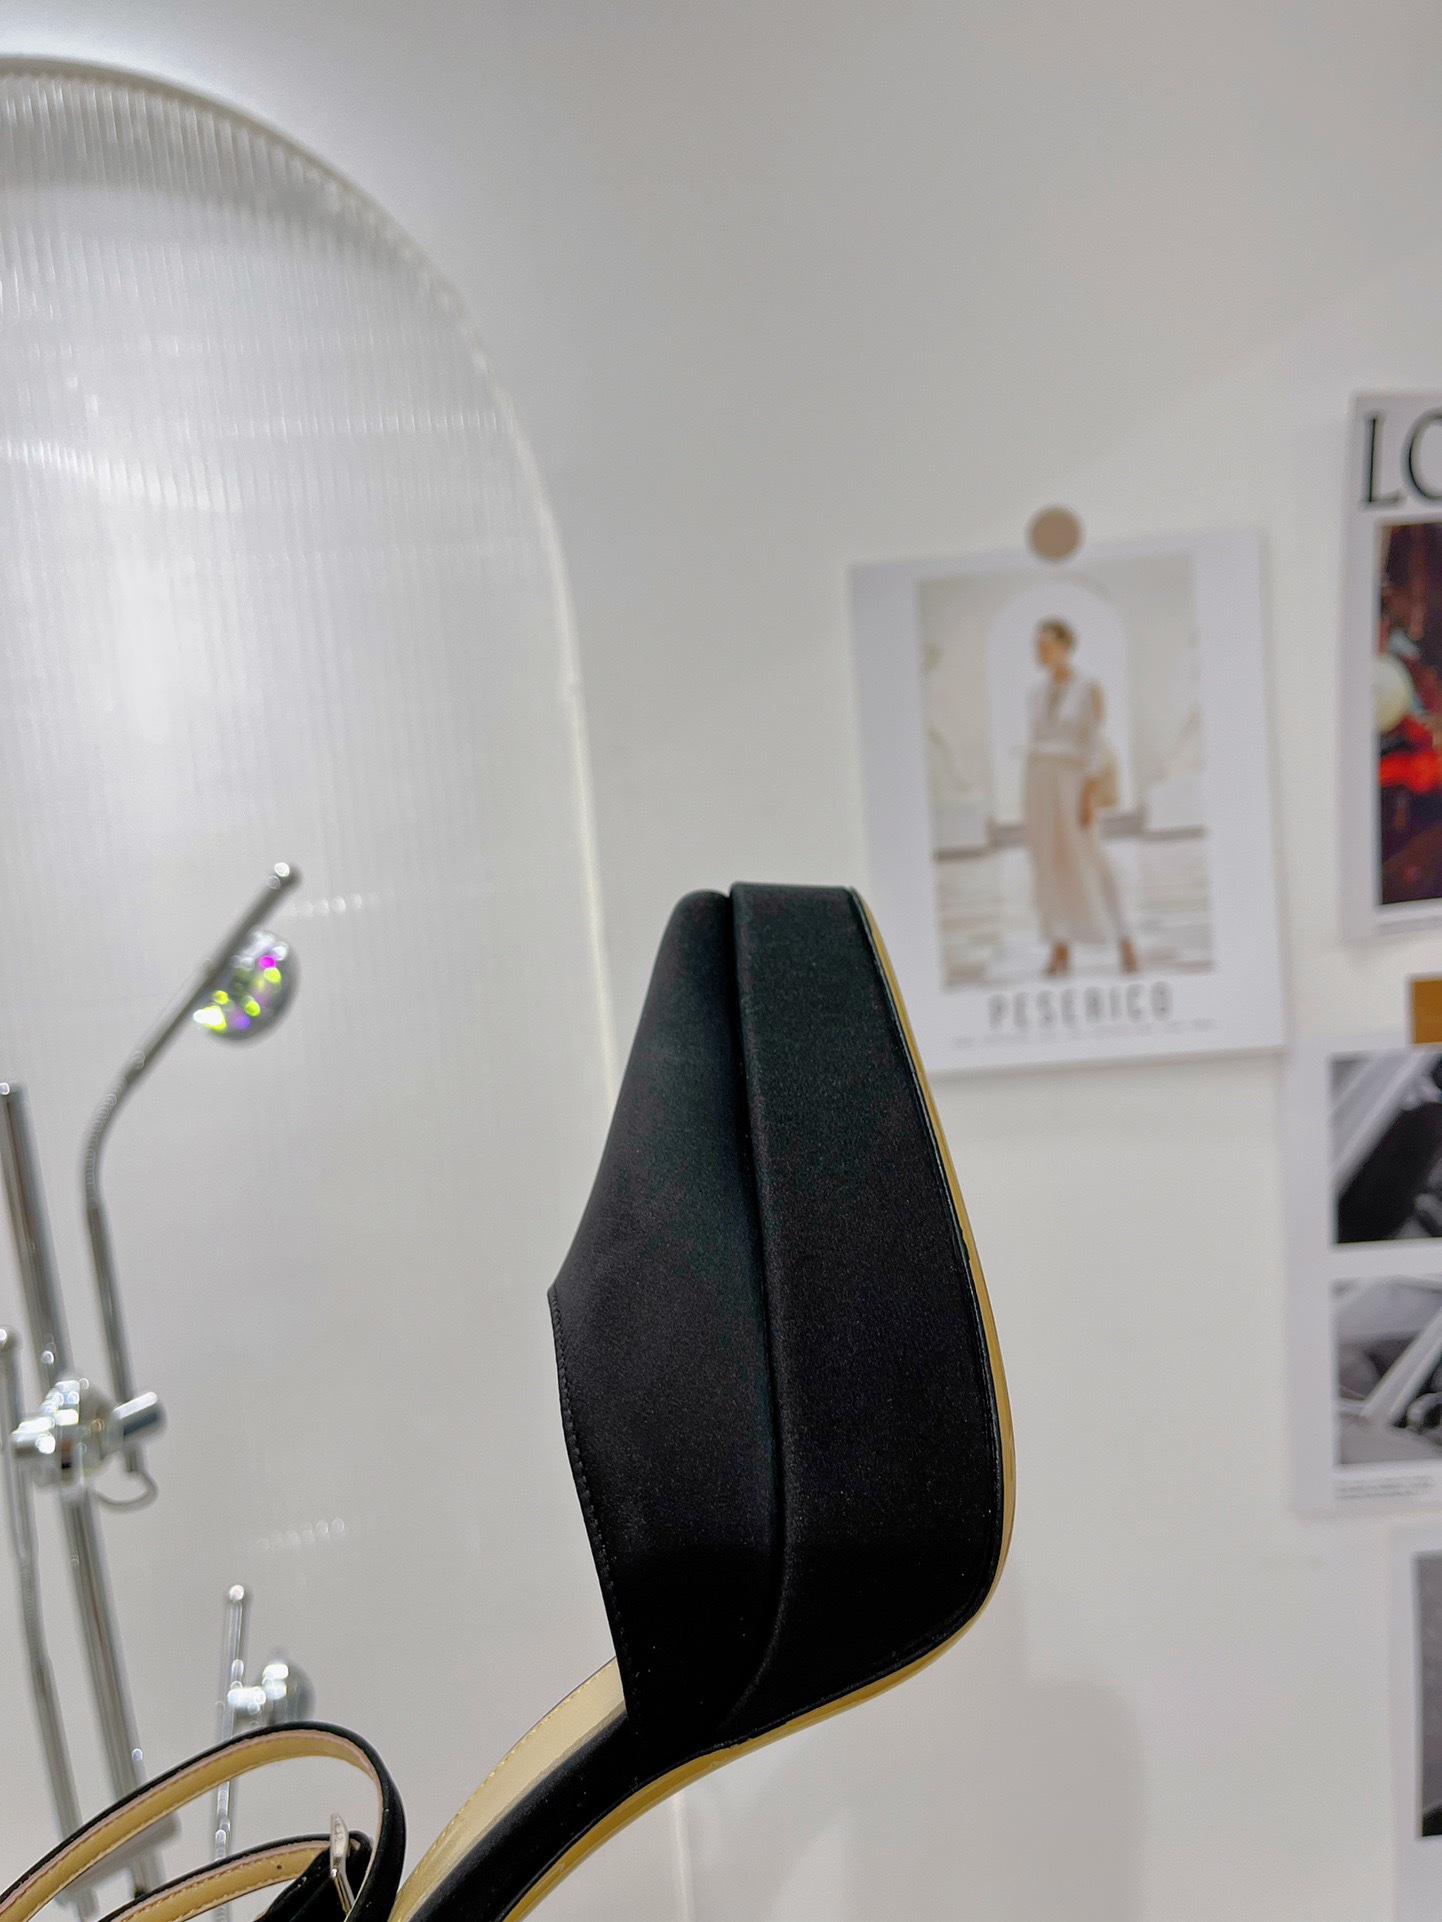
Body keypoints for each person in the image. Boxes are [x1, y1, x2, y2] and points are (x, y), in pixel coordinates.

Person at [1023, 618, 1138, 976]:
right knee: (1049, 863)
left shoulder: (1087, 687)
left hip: (1072, 783)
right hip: (1040, 784)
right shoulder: (1036, 692)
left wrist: (1088, 794)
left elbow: (1092, 744)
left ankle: (1124, 938)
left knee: (1092, 859)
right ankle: (1060, 945)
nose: (1040, 652)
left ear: (1064, 646)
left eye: (1046, 645)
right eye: (1037, 645)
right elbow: (1037, 739)